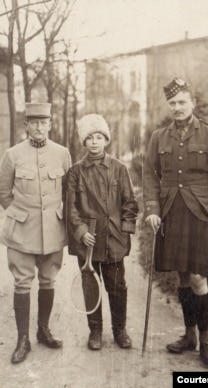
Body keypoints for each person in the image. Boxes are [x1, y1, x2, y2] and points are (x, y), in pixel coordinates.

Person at [143, 77, 208, 366]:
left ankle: (205, 341)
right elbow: (149, 175)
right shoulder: (159, 137)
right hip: (171, 213)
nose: (177, 107)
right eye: (173, 103)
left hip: (200, 214)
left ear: (193, 103)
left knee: (198, 277)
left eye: (183, 102)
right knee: (181, 276)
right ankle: (189, 335)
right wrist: (153, 209)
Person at [0, 103, 71, 364]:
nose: (39, 127)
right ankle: (22, 339)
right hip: (21, 230)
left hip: (52, 228)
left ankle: (43, 330)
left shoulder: (62, 154)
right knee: (21, 282)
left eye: (44, 122)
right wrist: (19, 213)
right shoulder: (12, 154)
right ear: (26, 125)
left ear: (50, 124)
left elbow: (67, 192)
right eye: (34, 123)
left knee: (48, 280)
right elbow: (3, 192)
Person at [66, 113, 138, 350]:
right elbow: (71, 207)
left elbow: (129, 203)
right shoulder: (76, 172)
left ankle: (120, 330)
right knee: (90, 286)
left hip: (114, 240)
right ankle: (95, 331)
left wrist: (125, 232)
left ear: (106, 140)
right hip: (88, 241)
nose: (94, 142)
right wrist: (80, 231)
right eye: (89, 138)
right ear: (83, 142)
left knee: (117, 286)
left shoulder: (119, 169)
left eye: (99, 137)